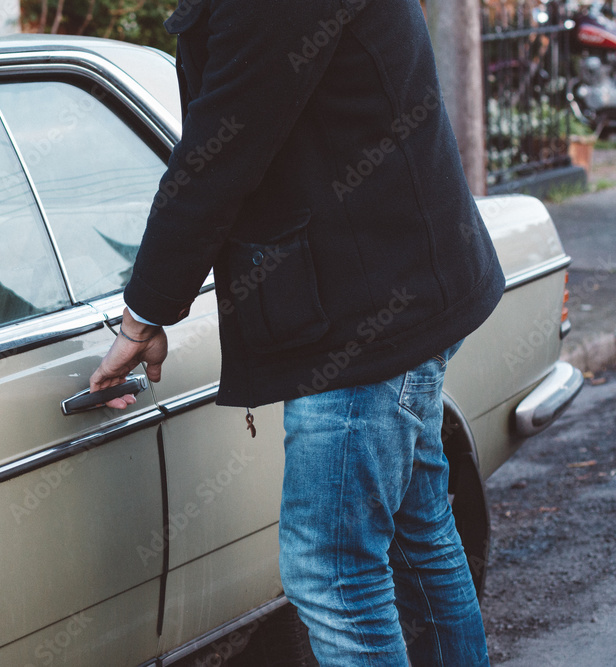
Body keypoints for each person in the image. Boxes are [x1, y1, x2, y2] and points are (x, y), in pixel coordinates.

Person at [89, 0, 504, 665]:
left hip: (363, 320)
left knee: (332, 570)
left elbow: (219, 156)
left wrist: (144, 314)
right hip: (393, 289)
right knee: (415, 531)